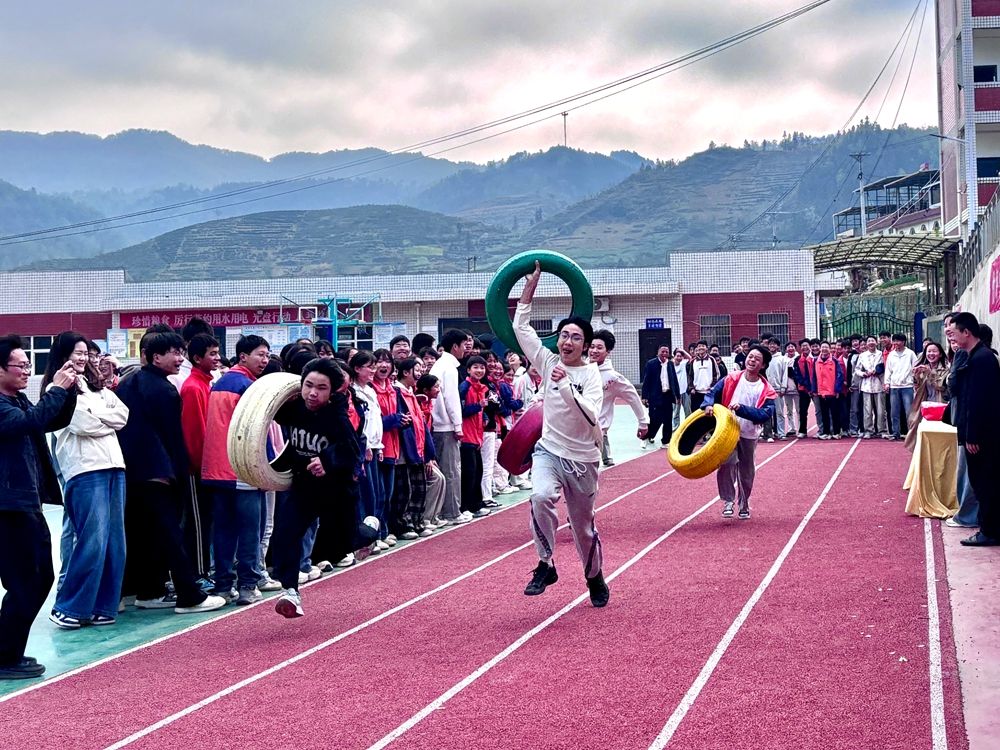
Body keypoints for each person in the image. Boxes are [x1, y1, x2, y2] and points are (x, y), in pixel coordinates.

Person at [515, 262, 608, 607]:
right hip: (549, 451)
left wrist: (567, 387)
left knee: (583, 529)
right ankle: (545, 564)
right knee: (540, 497)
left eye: (576, 337)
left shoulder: (592, 375)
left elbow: (590, 415)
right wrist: (529, 287)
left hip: (583, 460)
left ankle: (594, 576)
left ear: (586, 346)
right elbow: (521, 327)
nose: (568, 341)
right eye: (564, 335)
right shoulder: (547, 361)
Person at [116, 331, 226, 615]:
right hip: (158, 473)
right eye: (174, 353)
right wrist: (180, 472)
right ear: (156, 357)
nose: (180, 359)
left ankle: (147, 591)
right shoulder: (164, 390)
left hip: (130, 472)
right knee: (170, 534)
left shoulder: (128, 383)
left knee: (143, 535)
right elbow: (174, 437)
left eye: (181, 352)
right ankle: (189, 596)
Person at [270, 359, 379, 617]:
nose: (312, 393)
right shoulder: (294, 408)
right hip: (303, 486)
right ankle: (290, 592)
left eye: (321, 388)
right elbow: (264, 411)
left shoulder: (337, 414)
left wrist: (327, 460)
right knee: (286, 534)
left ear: (331, 392)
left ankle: (369, 531)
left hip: (336, 489)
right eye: (308, 385)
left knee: (341, 545)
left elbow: (352, 450)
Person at [0, 336, 77, 679]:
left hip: (26, 501)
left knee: (40, 576)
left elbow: (47, 420)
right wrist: (56, 389)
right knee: (23, 581)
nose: (26, 371)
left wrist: (70, 390)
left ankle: (8, 650)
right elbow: (28, 423)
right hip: (8, 506)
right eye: (20, 365)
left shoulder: (15, 399)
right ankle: (5, 656)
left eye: (28, 365)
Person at [44, 333, 129, 630]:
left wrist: (99, 415)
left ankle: (103, 606)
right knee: (92, 541)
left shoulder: (96, 387)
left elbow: (123, 415)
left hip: (114, 466)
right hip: (84, 470)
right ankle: (69, 607)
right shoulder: (57, 389)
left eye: (86, 353)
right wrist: (104, 418)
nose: (83, 358)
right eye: (77, 353)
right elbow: (82, 424)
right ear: (63, 355)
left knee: (115, 543)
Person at [202, 335, 272, 605]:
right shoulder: (249, 387)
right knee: (250, 532)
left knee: (223, 531)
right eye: (260, 354)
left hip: (216, 471)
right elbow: (258, 431)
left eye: (267, 355)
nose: (265, 360)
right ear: (243, 356)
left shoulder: (218, 384)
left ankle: (223, 585)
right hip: (243, 470)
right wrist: (266, 467)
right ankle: (248, 585)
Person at [944, 313, 1000, 546]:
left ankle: (989, 531)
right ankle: (990, 528)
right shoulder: (974, 356)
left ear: (966, 332)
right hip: (976, 431)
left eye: (954, 332)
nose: (952, 338)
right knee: (982, 481)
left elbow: (979, 401)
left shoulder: (982, 359)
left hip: (982, 435)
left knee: (984, 482)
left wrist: (973, 435)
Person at [702, 345, 776, 520]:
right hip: (728, 431)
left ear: (763, 365)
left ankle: (744, 502)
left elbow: (764, 414)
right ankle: (728, 500)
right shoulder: (732, 378)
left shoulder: (766, 389)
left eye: (757, 359)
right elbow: (712, 392)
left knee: (747, 471)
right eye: (750, 356)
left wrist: (742, 409)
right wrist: (708, 404)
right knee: (727, 463)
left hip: (749, 434)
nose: (752, 360)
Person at [178, 332, 221, 585]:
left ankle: (203, 571)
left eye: (217, 353)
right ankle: (199, 574)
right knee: (197, 524)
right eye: (212, 354)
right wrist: (201, 467)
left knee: (206, 521)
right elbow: (195, 434)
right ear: (196, 358)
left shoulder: (205, 384)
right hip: (197, 470)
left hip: (207, 467)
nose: (217, 358)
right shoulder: (193, 388)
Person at [430, 329, 473, 525]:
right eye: (463, 345)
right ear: (455, 346)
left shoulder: (441, 365)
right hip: (446, 425)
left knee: (448, 470)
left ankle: (445, 511)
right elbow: (451, 399)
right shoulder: (449, 368)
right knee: (451, 471)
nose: (466, 348)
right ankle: (452, 512)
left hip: (439, 424)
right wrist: (457, 425)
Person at [591, 330, 648, 465]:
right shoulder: (580, 369)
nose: (594, 351)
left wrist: (643, 422)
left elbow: (632, 397)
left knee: (588, 468)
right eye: (592, 347)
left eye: (599, 347)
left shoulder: (613, 378)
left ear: (608, 351)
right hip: (576, 428)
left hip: (598, 428)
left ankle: (606, 458)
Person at [459, 355, 490, 518]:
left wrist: (483, 415)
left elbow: (478, 411)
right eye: (476, 367)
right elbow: (461, 411)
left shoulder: (481, 388)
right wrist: (478, 406)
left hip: (477, 437)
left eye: (482, 367)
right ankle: (465, 506)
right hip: (465, 437)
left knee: (478, 471)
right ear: (469, 370)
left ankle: (476, 504)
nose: (479, 370)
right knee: (468, 473)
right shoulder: (464, 387)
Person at [641, 344, 679, 450]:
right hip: (655, 396)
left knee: (668, 420)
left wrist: (677, 395)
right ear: (658, 352)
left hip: (668, 395)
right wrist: (644, 396)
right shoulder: (651, 364)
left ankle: (666, 441)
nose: (664, 354)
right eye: (662, 351)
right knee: (654, 419)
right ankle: (646, 437)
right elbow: (646, 381)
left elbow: (674, 380)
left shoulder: (670, 364)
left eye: (666, 352)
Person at [884, 333, 917, 441]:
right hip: (894, 386)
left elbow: (915, 368)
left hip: (907, 386)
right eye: (894, 341)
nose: (896, 343)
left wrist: (914, 380)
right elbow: (888, 370)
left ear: (903, 342)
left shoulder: (910, 354)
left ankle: (911, 433)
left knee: (909, 411)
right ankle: (895, 433)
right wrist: (887, 383)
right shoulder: (891, 355)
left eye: (898, 341)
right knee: (894, 411)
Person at [813, 341, 844, 440]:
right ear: (820, 348)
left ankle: (836, 432)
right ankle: (826, 432)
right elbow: (814, 376)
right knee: (824, 413)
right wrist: (814, 389)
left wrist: (837, 390)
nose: (824, 349)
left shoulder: (834, 361)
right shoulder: (816, 361)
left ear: (830, 349)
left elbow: (839, 376)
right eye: (823, 347)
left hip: (832, 392)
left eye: (826, 347)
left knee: (835, 413)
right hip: (821, 392)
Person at [687, 341, 722, 414]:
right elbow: (690, 376)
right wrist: (691, 388)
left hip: (709, 393)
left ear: (706, 348)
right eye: (699, 346)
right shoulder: (693, 361)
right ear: (697, 348)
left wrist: (712, 386)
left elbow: (717, 374)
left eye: (703, 346)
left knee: (709, 414)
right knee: (696, 414)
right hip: (696, 393)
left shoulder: (711, 359)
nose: (701, 348)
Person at [671, 349, 691, 430]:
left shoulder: (683, 364)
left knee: (688, 412)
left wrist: (682, 350)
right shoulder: (670, 365)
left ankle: (688, 428)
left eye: (681, 356)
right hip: (675, 393)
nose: (679, 358)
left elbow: (690, 358)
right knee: (676, 412)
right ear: (674, 356)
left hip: (685, 392)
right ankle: (676, 429)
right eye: (677, 356)